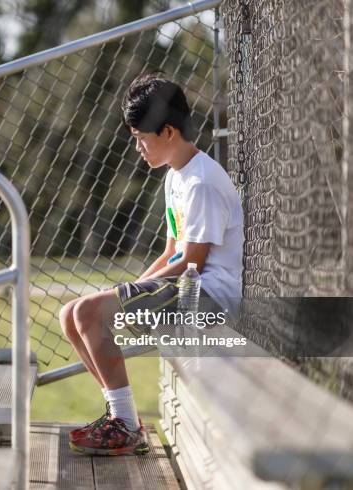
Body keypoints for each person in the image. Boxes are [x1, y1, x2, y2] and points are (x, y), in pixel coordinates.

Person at [60, 73, 244, 456]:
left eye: (142, 139)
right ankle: (119, 415)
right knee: (71, 314)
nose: (139, 149)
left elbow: (191, 263)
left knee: (90, 314)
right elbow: (170, 253)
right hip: (187, 286)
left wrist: (122, 300)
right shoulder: (176, 177)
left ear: (169, 132)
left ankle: (125, 426)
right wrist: (125, 292)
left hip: (211, 297)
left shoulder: (203, 182)